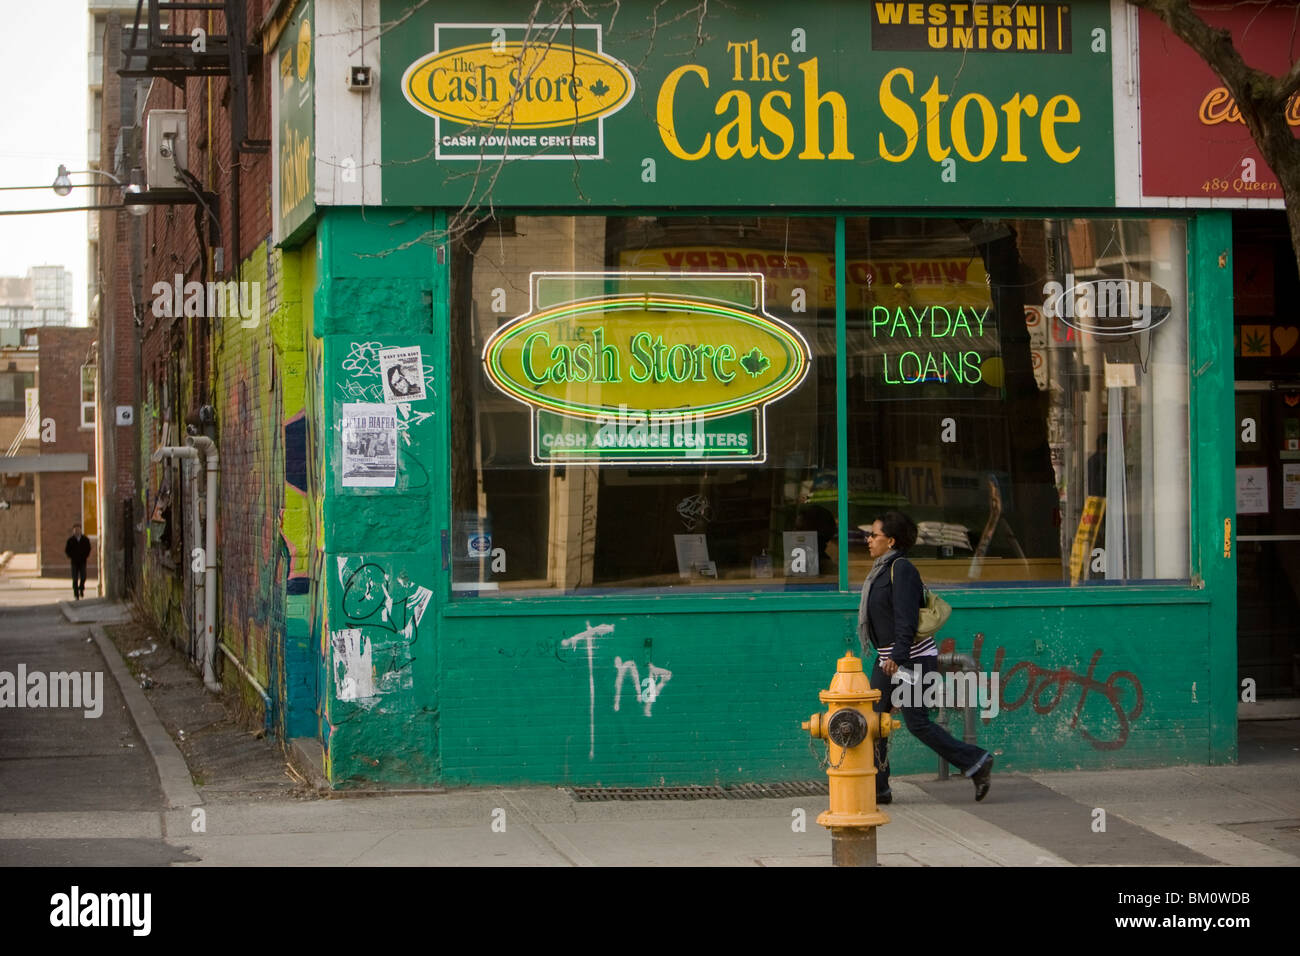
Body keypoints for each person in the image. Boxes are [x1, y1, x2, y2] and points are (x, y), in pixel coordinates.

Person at [858, 510, 994, 804]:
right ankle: (879, 787)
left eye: (874, 535)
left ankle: (977, 761)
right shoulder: (880, 570)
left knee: (917, 723)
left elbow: (906, 618)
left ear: (891, 541)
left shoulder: (902, 569)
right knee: (873, 721)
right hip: (888, 661)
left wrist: (898, 655)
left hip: (910, 660)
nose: (868, 540)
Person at [64, 523, 92, 600]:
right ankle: (76, 594)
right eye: (75, 530)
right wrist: (71, 556)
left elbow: (88, 549)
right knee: (75, 578)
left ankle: (81, 588)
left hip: (82, 561)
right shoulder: (70, 540)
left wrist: (85, 556)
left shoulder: (85, 540)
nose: (77, 531)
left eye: (78, 530)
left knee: (83, 576)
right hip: (74, 562)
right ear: (73, 531)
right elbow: (67, 550)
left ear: (80, 530)